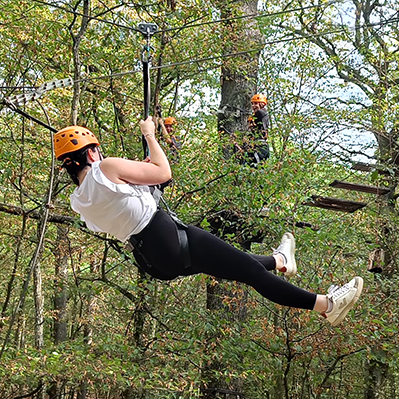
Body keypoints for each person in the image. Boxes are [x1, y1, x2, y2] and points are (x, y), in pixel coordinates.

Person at [54, 117, 364, 327]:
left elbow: (140, 196)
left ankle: (281, 260)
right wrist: (149, 134)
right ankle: (326, 305)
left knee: (236, 264)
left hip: (151, 258)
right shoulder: (106, 167)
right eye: (97, 149)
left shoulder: (79, 201)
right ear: (92, 152)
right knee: (249, 272)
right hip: (164, 236)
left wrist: (146, 175)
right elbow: (164, 173)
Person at [237, 93, 270, 165]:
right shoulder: (261, 117)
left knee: (253, 166)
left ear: (261, 104)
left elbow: (258, 113)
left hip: (259, 147)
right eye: (252, 104)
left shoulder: (261, 113)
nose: (253, 106)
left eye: (256, 103)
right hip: (258, 146)